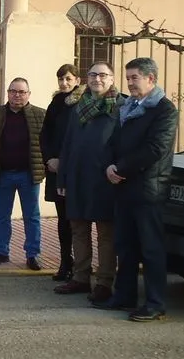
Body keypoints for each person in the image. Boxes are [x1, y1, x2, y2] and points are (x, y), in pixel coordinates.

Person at [95, 57, 178, 322]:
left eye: (134, 78)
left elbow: (155, 149)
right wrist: (109, 165)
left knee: (151, 248)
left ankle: (155, 303)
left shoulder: (165, 110)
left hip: (148, 189)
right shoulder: (128, 107)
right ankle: (124, 296)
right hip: (123, 187)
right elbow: (114, 141)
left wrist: (120, 168)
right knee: (125, 245)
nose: (129, 83)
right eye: (128, 78)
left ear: (150, 79)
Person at [53, 62, 123, 303]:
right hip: (77, 177)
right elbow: (68, 144)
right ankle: (81, 278)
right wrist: (62, 176)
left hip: (105, 179)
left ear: (112, 79)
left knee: (106, 233)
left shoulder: (121, 107)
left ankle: (104, 282)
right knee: (79, 230)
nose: (98, 79)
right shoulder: (78, 107)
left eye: (103, 75)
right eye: (93, 75)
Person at [0, 77, 46, 271]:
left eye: (21, 92)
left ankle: (33, 254)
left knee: (32, 216)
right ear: (8, 93)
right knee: (2, 215)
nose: (17, 95)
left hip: (29, 174)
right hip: (3, 174)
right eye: (13, 91)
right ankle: (1, 251)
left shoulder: (39, 115)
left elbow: (47, 143)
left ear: (28, 94)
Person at [39, 64, 83, 282]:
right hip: (56, 170)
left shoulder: (84, 103)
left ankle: (82, 266)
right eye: (60, 79)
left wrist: (64, 162)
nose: (64, 83)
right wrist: (49, 159)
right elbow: (45, 134)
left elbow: (81, 139)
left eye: (68, 79)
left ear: (77, 80)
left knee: (79, 220)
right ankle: (66, 262)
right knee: (63, 219)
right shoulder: (55, 102)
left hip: (76, 170)